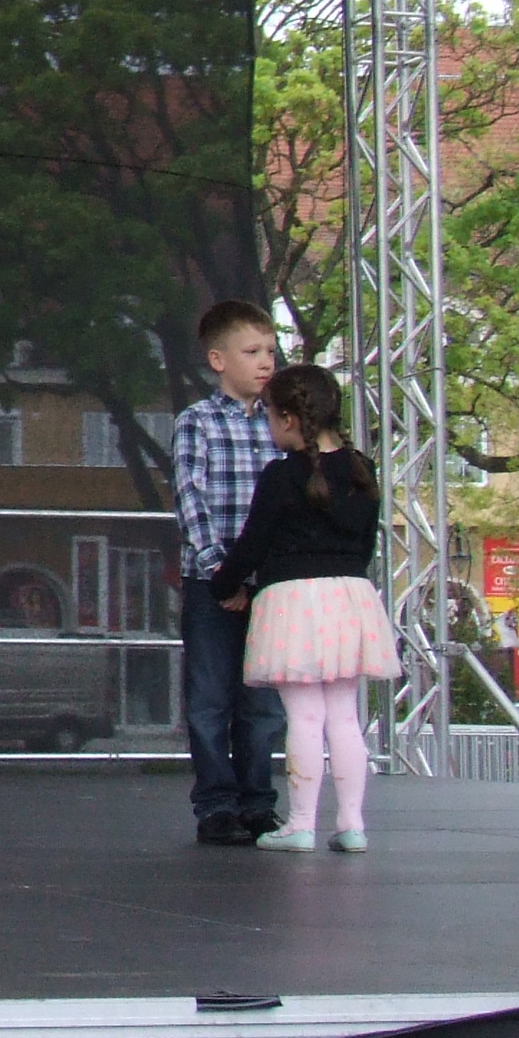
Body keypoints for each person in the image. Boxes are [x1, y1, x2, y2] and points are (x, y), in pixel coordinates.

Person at [210, 363, 395, 855]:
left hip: (293, 601)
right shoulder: (361, 469)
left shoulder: (281, 475)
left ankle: (300, 824)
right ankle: (352, 824)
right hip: (349, 597)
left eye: (271, 415)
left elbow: (253, 543)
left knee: (304, 718)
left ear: (289, 419)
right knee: (345, 718)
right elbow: (366, 544)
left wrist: (224, 585)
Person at [172, 300, 289, 847]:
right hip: (211, 582)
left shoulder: (281, 423)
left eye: (270, 351)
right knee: (210, 697)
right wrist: (221, 571)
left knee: (263, 700)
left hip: (270, 582)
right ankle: (217, 804)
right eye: (252, 351)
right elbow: (189, 498)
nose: (265, 362)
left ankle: (258, 802)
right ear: (218, 360)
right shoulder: (196, 421)